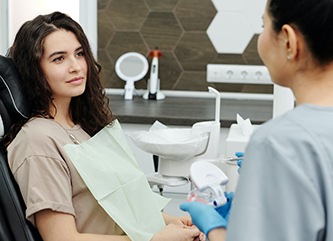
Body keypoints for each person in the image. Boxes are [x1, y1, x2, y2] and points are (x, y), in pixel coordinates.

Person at [4, 12, 205, 241]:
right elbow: (61, 238)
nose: (76, 66)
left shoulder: (86, 125)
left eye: (79, 54)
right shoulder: (38, 140)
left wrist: (170, 222)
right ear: (34, 71)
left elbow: (121, 205)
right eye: (59, 58)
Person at [180, 0, 333, 240]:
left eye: (263, 27)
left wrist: (215, 228)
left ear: (289, 41)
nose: (260, 39)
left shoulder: (278, 142)